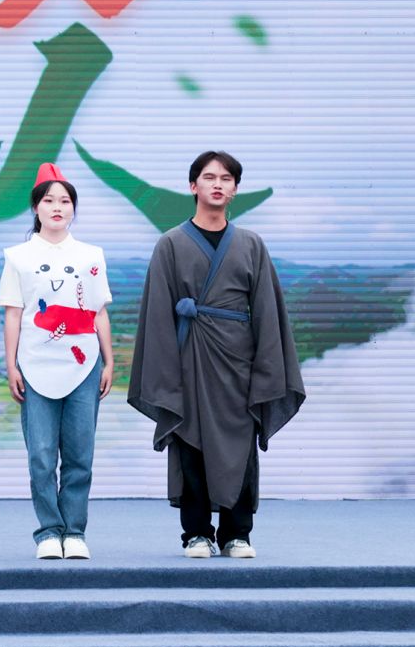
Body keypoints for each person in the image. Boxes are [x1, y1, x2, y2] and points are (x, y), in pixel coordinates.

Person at [128, 150, 305, 559]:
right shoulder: (170, 244)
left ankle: (236, 533)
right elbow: (157, 313)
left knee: (240, 441)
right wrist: (165, 371)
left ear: (235, 190)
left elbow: (267, 311)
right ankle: (196, 533)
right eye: (209, 177)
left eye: (227, 178)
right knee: (188, 439)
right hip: (189, 356)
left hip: (238, 360)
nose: (218, 184)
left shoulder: (251, 244)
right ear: (193, 186)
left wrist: (267, 369)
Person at [0, 164, 112, 561]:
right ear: (36, 207)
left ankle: (75, 531)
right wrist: (11, 365)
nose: (57, 207)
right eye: (49, 200)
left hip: (84, 364)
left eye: (65, 201)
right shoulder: (17, 257)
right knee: (41, 455)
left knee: (80, 454)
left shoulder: (91, 255)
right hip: (35, 363)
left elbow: (99, 312)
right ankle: (48, 530)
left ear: (74, 209)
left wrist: (109, 361)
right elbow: (13, 314)